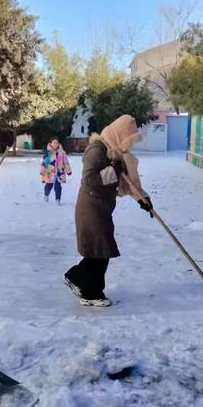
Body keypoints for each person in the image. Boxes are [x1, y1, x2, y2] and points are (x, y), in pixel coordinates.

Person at [63, 115, 153, 307]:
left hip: (102, 207)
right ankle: (90, 292)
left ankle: (80, 281)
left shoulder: (116, 154)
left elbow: (127, 183)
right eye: (127, 140)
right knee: (100, 250)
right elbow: (89, 180)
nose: (128, 146)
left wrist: (143, 200)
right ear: (118, 135)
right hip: (90, 207)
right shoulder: (96, 150)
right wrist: (114, 169)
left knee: (99, 250)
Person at [40, 137, 72, 205]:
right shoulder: (48, 152)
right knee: (49, 186)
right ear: (51, 143)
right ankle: (46, 194)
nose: (55, 144)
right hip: (50, 172)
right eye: (54, 142)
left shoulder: (62, 152)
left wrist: (68, 171)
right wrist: (42, 170)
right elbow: (43, 162)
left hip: (59, 172)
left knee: (58, 187)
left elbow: (66, 162)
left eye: (56, 143)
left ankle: (58, 199)